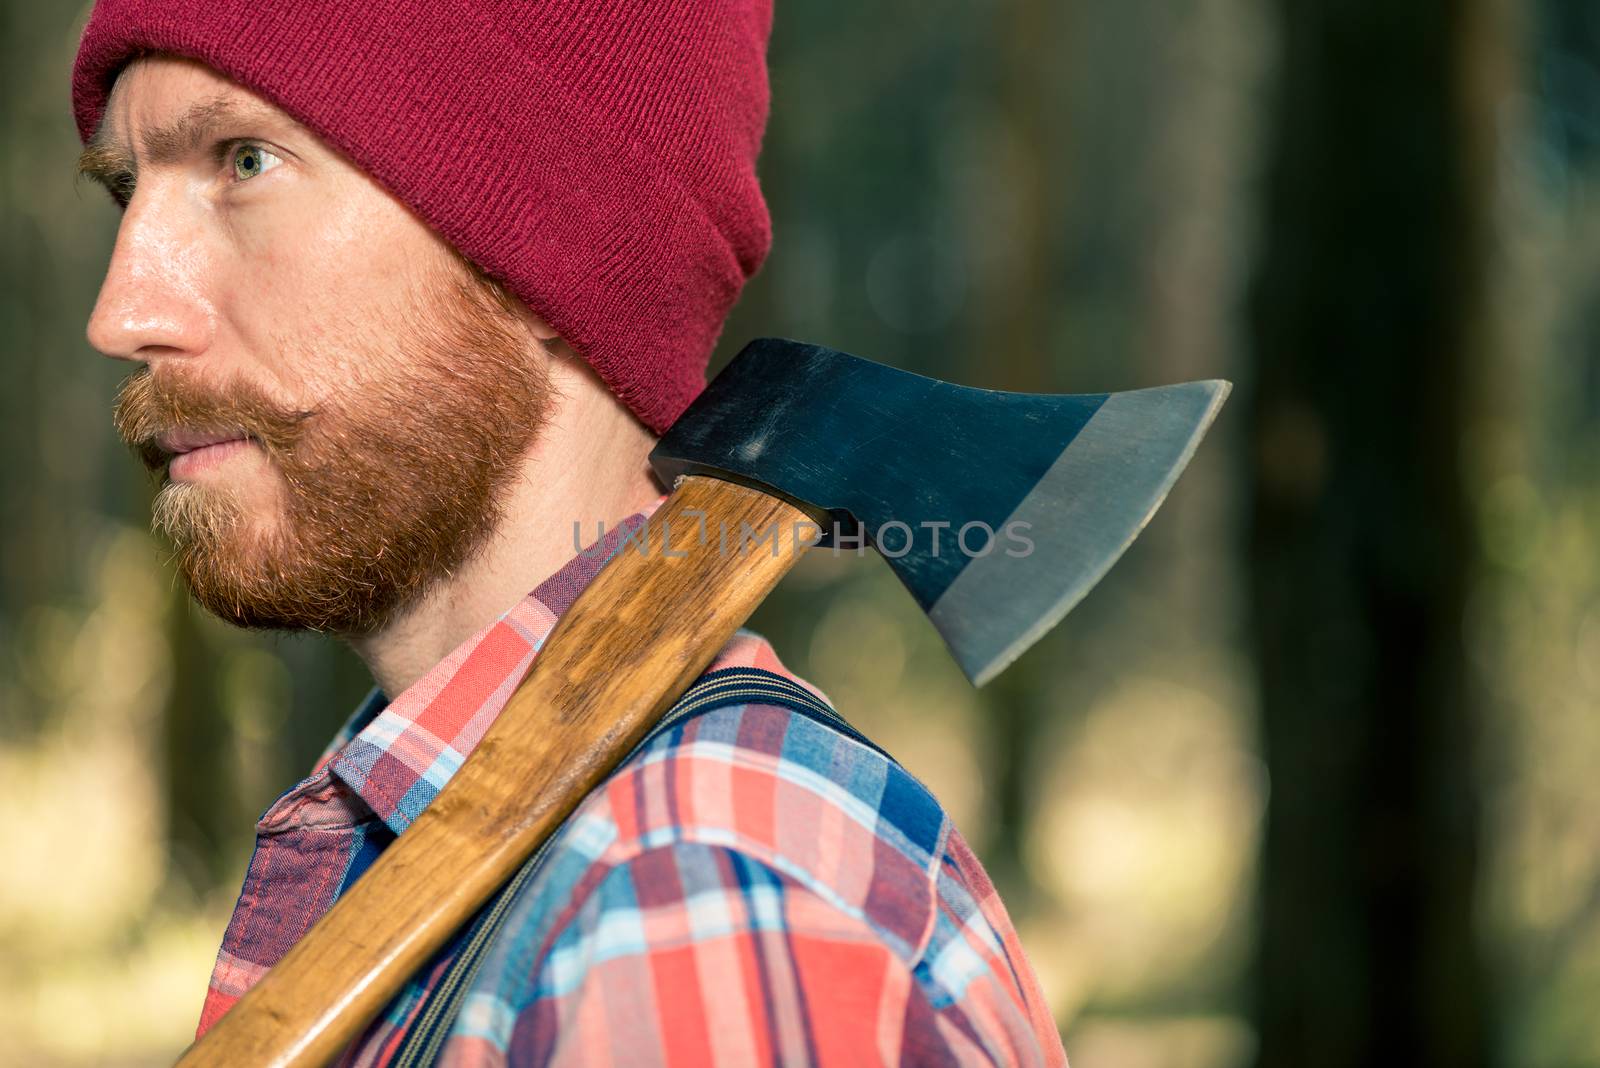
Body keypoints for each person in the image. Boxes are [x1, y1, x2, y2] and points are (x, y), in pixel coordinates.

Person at [70, 2, 1067, 1064]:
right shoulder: (440, 836)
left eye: (245, 162)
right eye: (130, 190)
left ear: (551, 238)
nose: (123, 310)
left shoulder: (690, 905)